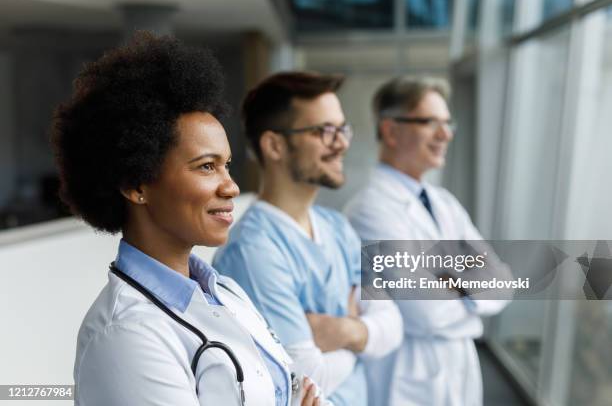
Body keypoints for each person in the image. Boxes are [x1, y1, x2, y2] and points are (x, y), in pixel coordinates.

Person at [53, 32, 323, 406]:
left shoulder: (224, 291)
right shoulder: (125, 334)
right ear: (136, 184)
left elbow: (302, 386)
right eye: (206, 167)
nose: (230, 187)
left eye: (226, 165)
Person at [212, 71, 403, 406]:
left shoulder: (337, 227)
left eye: (342, 129)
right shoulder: (252, 251)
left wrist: (343, 332)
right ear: (274, 145)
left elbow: (394, 327)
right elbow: (302, 378)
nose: (342, 143)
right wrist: (363, 333)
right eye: (324, 132)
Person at [345, 76, 508, 406]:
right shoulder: (370, 210)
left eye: (448, 123)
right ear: (390, 131)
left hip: (458, 367)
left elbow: (502, 281)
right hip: (406, 376)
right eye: (430, 122)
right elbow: (425, 312)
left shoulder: (444, 201)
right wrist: (467, 279)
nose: (445, 135)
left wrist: (449, 281)